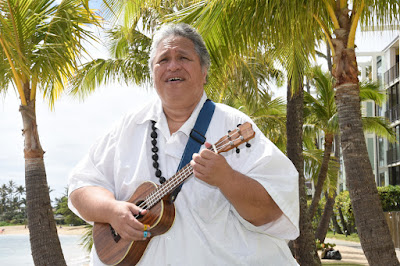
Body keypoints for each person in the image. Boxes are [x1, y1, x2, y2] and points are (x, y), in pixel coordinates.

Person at [68, 23, 299, 265]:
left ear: (204, 71)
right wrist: (112, 211)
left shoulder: (234, 126)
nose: (173, 65)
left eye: (183, 57)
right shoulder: (128, 127)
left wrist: (226, 178)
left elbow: (271, 211)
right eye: (163, 59)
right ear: (153, 74)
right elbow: (81, 186)